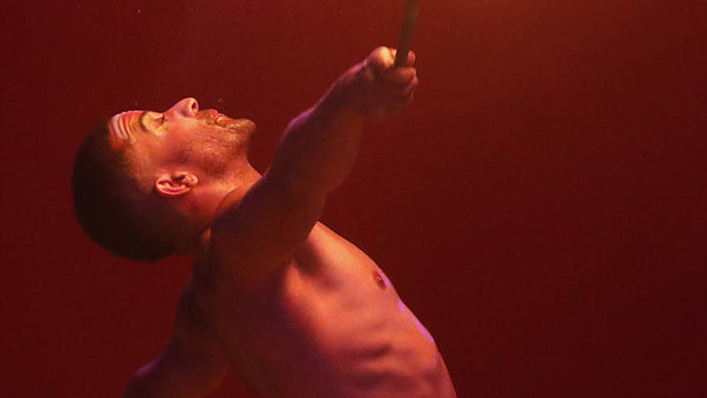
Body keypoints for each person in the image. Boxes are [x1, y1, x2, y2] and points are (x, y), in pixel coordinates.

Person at [71, 47, 457, 397]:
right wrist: (349, 96)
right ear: (175, 182)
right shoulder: (236, 248)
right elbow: (296, 179)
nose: (185, 104)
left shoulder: (205, 311)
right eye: (159, 122)